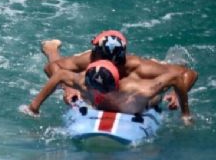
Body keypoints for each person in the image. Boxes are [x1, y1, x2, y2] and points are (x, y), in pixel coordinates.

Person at [40, 31, 197, 110]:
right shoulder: (89, 60)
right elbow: (53, 67)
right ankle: (51, 48)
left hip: (135, 86)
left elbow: (187, 73)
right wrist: (67, 89)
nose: (94, 56)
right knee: (65, 75)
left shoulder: (140, 67)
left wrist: (177, 94)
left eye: (96, 53)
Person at [21, 58, 197, 125]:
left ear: (115, 86)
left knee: (158, 92)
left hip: (146, 102)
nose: (98, 93)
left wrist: (184, 112)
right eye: (93, 88)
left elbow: (175, 77)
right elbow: (59, 74)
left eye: (103, 90)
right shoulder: (85, 84)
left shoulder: (140, 90)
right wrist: (34, 107)